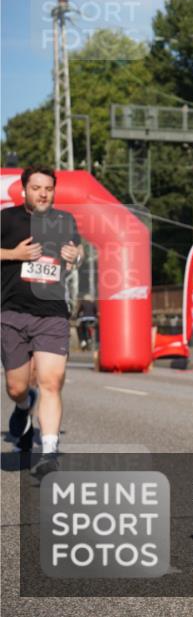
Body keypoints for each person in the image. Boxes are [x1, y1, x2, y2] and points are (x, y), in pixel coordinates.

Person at [1, 165, 82, 474]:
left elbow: (77, 251)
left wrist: (77, 257)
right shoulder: (7, 220)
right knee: (16, 387)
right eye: (36, 188)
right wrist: (13, 255)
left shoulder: (64, 220)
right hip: (12, 313)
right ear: (24, 190)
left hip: (52, 314)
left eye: (48, 188)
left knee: (51, 382)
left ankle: (49, 452)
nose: (43, 193)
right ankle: (24, 406)